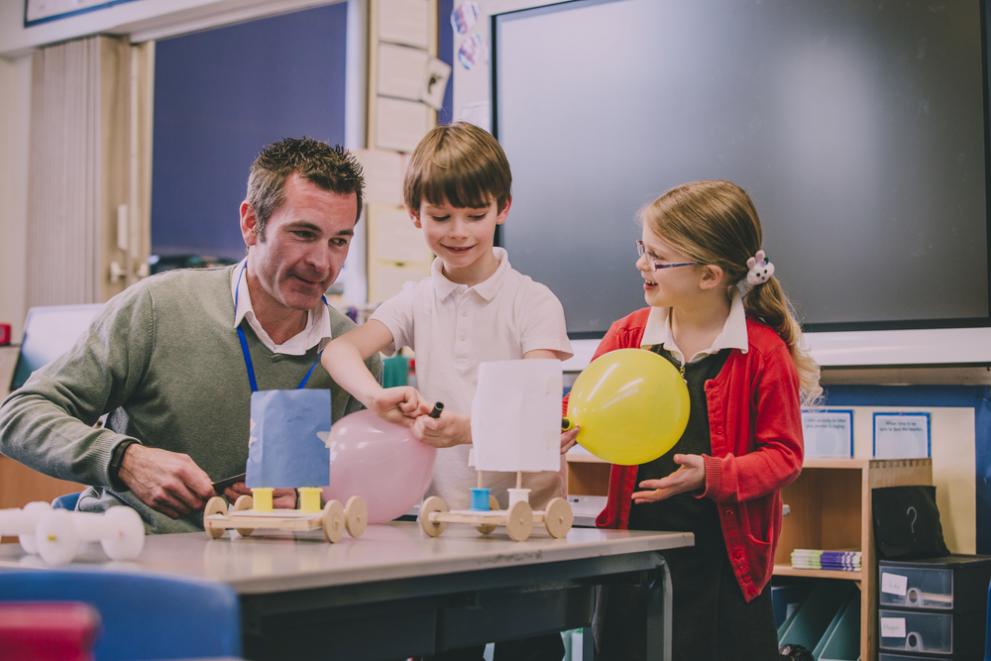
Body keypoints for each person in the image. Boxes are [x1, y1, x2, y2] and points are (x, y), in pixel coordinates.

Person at [0, 137, 381, 534]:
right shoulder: (157, 309)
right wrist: (125, 460)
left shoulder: (355, 354)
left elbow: (366, 488)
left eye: (339, 241)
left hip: (281, 572)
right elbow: (17, 416)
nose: (322, 263)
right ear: (251, 224)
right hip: (139, 557)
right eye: (303, 234)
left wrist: (314, 499)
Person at [321, 122, 572, 661]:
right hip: (440, 530)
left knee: (528, 650)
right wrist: (374, 397)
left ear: (502, 208)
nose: (458, 231)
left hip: (523, 532)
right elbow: (338, 352)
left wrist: (467, 430)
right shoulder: (414, 301)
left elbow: (537, 407)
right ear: (415, 215)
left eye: (475, 215)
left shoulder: (534, 302)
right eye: (440, 217)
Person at [560, 180, 819, 661]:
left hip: (722, 567)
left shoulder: (762, 352)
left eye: (657, 256)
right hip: (634, 559)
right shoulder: (629, 334)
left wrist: (713, 474)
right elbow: (581, 406)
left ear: (709, 276)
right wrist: (557, 430)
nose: (642, 264)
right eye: (643, 248)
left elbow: (784, 458)